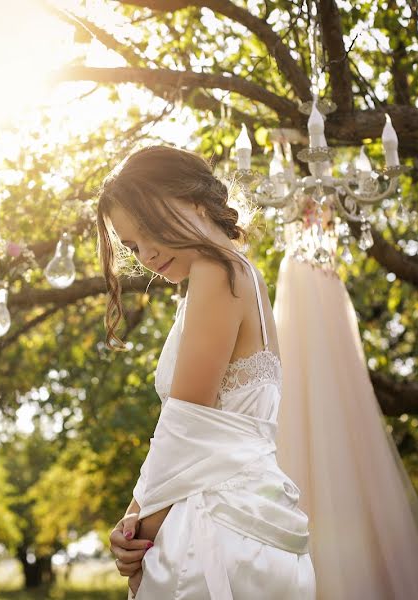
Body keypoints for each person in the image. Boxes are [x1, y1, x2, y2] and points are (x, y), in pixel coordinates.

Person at [96, 145, 315, 599]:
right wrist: (136, 515)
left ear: (194, 202)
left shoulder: (217, 273)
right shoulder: (241, 275)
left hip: (215, 527)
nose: (147, 255)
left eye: (150, 231)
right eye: (134, 245)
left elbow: (187, 425)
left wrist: (139, 534)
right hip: (252, 517)